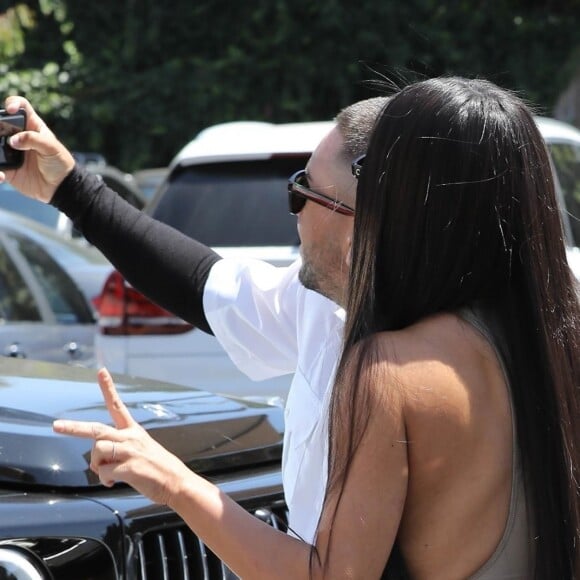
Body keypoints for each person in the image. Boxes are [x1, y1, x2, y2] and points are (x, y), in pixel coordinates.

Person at [3, 76, 580, 578]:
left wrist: (169, 478)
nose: (295, 211)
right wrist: (69, 188)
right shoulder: (548, 339)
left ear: (369, 227)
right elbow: (204, 283)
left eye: (302, 189)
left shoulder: (390, 369)